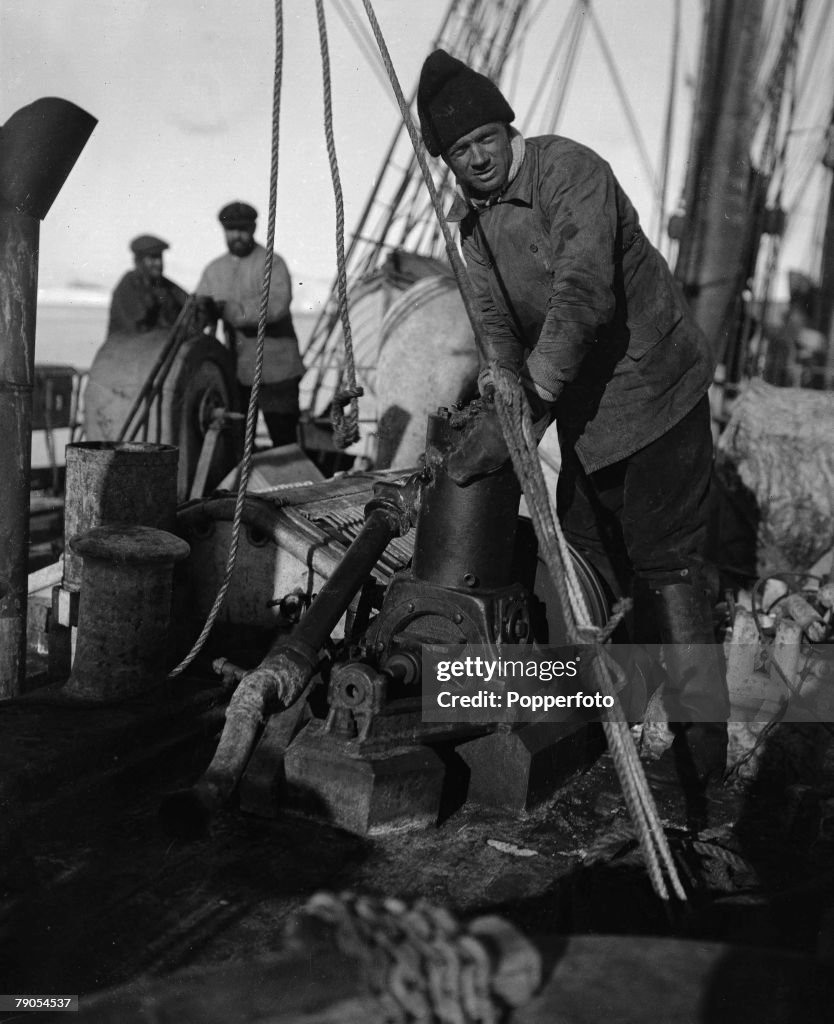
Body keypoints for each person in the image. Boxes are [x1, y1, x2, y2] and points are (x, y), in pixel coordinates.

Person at [417, 49, 730, 793]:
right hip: (586, 417)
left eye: (485, 139)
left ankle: (698, 757)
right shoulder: (471, 230)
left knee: (668, 565)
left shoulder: (569, 173)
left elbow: (583, 295)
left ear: (506, 126)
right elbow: (496, 329)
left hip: (656, 394)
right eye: (460, 152)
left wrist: (530, 409)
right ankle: (606, 726)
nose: (478, 159)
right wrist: (502, 399)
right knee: (586, 564)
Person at [195, 202, 304, 448]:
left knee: (284, 439)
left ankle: (291, 486)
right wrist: (202, 311)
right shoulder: (214, 271)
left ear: (254, 228)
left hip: (278, 371)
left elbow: (275, 306)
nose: (237, 236)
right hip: (239, 373)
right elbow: (199, 312)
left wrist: (228, 310)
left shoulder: (273, 264)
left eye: (243, 229)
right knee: (239, 441)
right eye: (231, 230)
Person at [108, 234, 188, 336]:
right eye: (153, 258)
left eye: (160, 258)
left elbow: (187, 302)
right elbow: (137, 326)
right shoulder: (128, 286)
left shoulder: (163, 284)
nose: (158, 263)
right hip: (128, 348)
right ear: (139, 261)